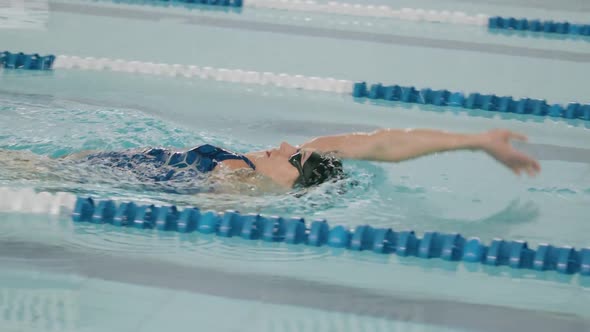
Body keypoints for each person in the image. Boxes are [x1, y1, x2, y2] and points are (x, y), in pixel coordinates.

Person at [60, 128, 540, 191]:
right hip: (109, 161)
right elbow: (382, 144)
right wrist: (476, 141)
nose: (288, 146)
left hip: (101, 176)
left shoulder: (240, 183)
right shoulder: (261, 167)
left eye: (295, 160)